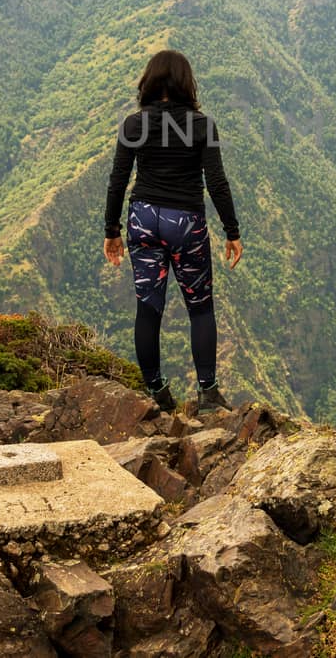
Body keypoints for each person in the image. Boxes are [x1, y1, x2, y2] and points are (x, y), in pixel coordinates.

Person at [103, 49, 243, 413]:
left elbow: (118, 180)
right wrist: (232, 230)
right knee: (200, 307)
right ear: (186, 83)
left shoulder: (133, 125)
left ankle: (156, 392)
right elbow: (216, 181)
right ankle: (208, 393)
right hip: (186, 222)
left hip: (143, 218)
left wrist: (112, 229)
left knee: (148, 307)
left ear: (149, 82)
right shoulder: (201, 126)